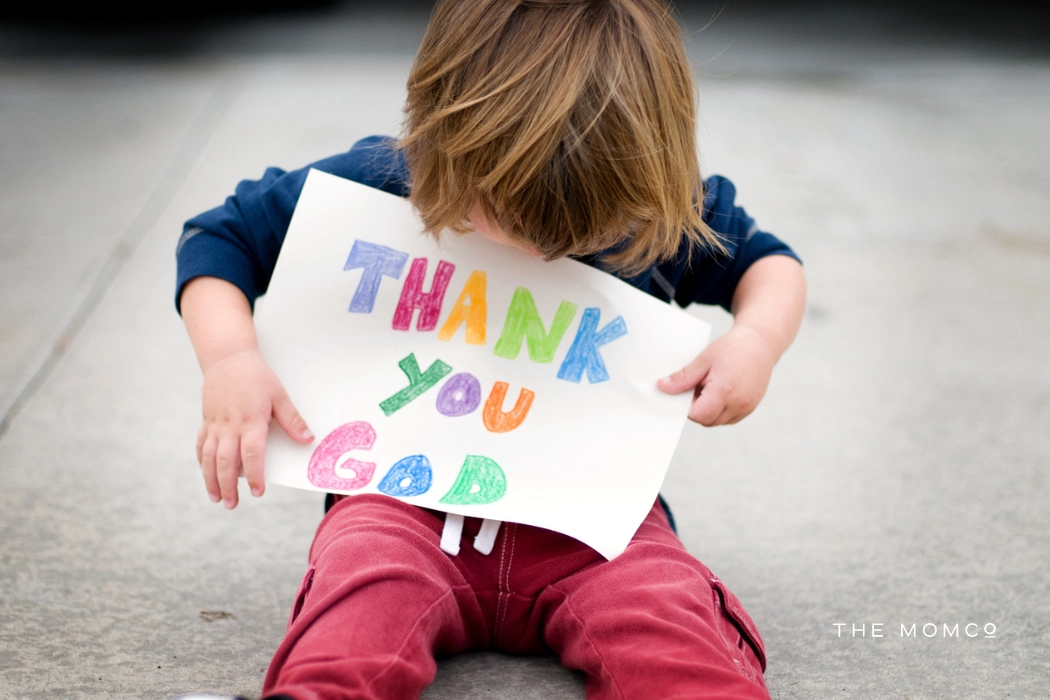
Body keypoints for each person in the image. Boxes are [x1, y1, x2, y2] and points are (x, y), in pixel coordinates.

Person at [176, 0, 806, 698]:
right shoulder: (385, 180)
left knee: (661, 609)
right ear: (446, 141)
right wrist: (230, 358)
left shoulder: (653, 202)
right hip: (399, 504)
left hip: (593, 518)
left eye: (587, 235)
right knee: (361, 595)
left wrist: (756, 339)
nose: (543, 251)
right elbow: (221, 237)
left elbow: (769, 265)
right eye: (508, 217)